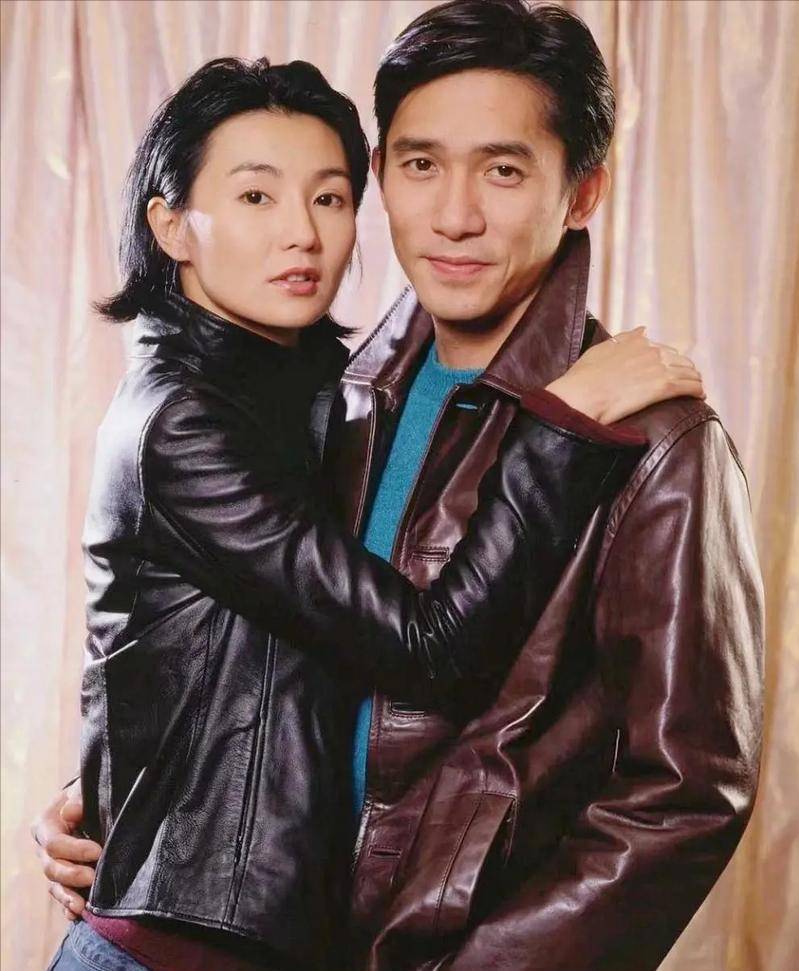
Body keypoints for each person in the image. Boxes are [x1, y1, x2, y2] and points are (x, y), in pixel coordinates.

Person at [34, 2, 764, 970]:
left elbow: (684, 793)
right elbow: (251, 648)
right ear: (382, 177)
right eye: (421, 164)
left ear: (581, 190)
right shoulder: (334, 400)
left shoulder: (653, 440)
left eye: (502, 170)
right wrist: (127, 793)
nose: (454, 214)